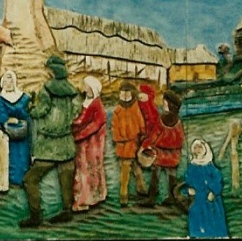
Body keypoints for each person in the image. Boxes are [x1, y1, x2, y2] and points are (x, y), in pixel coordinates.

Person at [21, 55, 82, 228]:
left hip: (49, 145)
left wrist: (31, 108)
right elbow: (77, 111)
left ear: (52, 71)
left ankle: (35, 216)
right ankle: (66, 212)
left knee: (30, 180)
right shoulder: (73, 90)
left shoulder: (47, 89)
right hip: (67, 143)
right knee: (65, 180)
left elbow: (42, 111)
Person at [141, 89, 184, 207]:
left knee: (156, 175)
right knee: (171, 176)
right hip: (172, 155)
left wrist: (147, 144)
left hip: (160, 153)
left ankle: (152, 198)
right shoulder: (178, 121)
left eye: (165, 102)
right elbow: (180, 139)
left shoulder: (161, 119)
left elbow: (154, 135)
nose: (163, 104)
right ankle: (172, 197)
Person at [71, 75, 107, 211]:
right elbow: (80, 120)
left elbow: (96, 124)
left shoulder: (97, 105)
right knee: (83, 170)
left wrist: (79, 134)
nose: (85, 90)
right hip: (83, 144)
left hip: (92, 145)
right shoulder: (86, 103)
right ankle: (87, 197)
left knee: (89, 170)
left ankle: (85, 200)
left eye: (88, 87)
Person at [0, 70, 31, 186]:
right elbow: (0, 114)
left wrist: (20, 120)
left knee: (23, 156)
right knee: (11, 157)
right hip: (8, 132)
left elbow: (26, 113)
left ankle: (23, 179)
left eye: (10, 80)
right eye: (5, 81)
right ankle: (12, 181)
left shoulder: (23, 97)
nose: (8, 84)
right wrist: (8, 120)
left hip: (23, 133)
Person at [183, 138, 228, 238]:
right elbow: (186, 181)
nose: (198, 150)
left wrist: (213, 191)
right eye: (195, 147)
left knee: (213, 217)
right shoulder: (192, 166)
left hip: (210, 198)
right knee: (197, 216)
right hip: (197, 199)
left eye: (200, 147)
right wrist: (188, 190)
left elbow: (218, 180)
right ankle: (197, 234)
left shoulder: (210, 166)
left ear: (205, 149)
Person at [110, 82, 147, 206]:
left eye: (127, 94)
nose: (125, 96)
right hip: (124, 146)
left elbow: (141, 123)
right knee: (125, 171)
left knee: (136, 168)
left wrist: (142, 135)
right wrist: (121, 138)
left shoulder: (135, 108)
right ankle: (123, 195)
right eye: (123, 94)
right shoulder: (117, 111)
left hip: (134, 144)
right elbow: (114, 129)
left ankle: (141, 188)